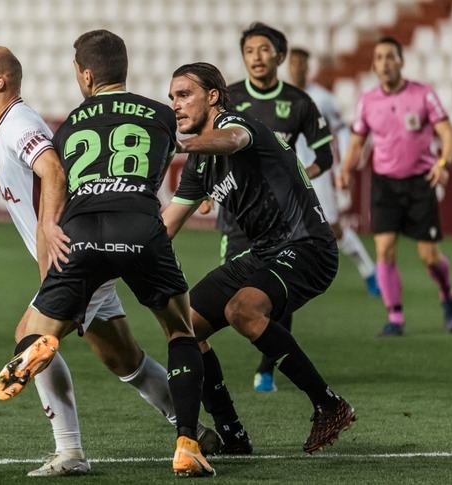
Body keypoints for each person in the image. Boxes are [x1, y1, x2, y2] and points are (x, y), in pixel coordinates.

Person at [0, 45, 217, 477]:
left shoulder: (19, 121)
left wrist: (50, 248)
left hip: (77, 251)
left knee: (29, 334)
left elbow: (53, 170)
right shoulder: (4, 125)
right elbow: (23, 166)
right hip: (106, 240)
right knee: (123, 359)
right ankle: (195, 431)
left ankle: (70, 452)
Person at [164, 62, 356, 455]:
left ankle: (329, 403)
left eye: (184, 95)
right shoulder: (200, 164)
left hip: (308, 246)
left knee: (242, 309)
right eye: (171, 98)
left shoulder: (237, 122)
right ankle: (232, 432)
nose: (176, 105)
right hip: (266, 252)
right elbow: (166, 226)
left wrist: (178, 143)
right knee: (185, 326)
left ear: (213, 96)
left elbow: (233, 140)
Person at [205, 22, 334, 393]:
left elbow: (324, 154)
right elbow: (213, 150)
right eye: (249, 51)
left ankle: (267, 368)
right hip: (237, 216)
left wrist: (299, 179)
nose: (256, 57)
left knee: (276, 289)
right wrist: (207, 191)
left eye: (264, 50)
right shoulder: (227, 100)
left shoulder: (299, 103)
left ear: (279, 55)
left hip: (284, 220)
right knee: (232, 295)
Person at [336, 37, 452, 336]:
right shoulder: (367, 100)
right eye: (379, 57)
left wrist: (443, 165)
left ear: (401, 61)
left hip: (420, 183)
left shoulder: (424, 95)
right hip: (385, 185)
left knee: (429, 256)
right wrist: (345, 170)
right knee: (385, 249)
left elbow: (450, 136)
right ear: (374, 65)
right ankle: (395, 316)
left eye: (390, 57)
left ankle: (446, 293)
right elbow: (356, 142)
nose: (385, 63)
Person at [289, 47, 379, 297]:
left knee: (333, 228)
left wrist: (342, 167)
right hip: (287, 173)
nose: (297, 67)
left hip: (317, 172)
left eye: (301, 63)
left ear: (309, 67)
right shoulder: (281, 97)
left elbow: (341, 129)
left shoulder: (323, 98)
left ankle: (369, 271)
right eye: (293, 63)